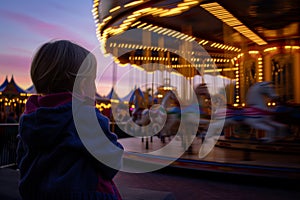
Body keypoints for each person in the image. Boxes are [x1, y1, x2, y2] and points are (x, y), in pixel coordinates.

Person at [16, 40, 124, 200]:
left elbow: (21, 160)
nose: (94, 89)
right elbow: (112, 160)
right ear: (82, 84)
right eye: (92, 81)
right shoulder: (85, 117)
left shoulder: (30, 119)